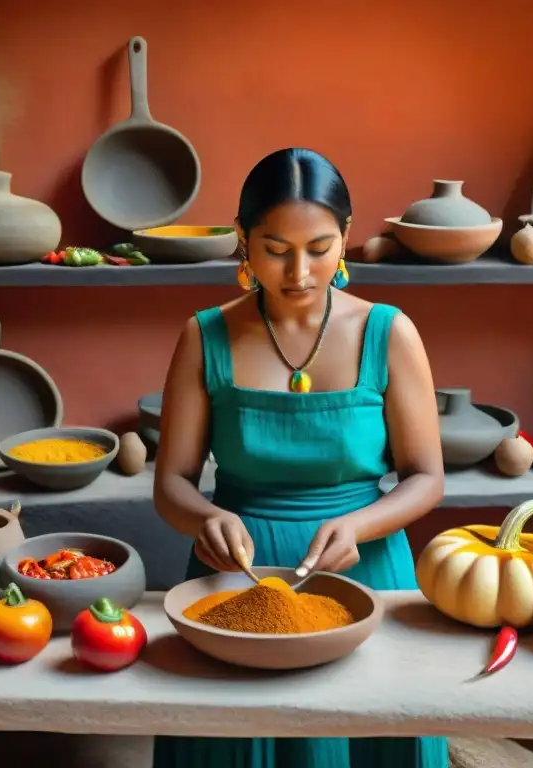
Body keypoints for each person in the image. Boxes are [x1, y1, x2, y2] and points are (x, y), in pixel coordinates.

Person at [152, 147, 448, 768]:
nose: (299, 272)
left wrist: (361, 525)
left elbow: (426, 478)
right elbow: (172, 483)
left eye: (319, 248)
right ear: (242, 240)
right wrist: (203, 518)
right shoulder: (203, 335)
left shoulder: (389, 333)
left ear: (345, 236)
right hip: (235, 578)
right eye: (275, 249)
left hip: (364, 571)